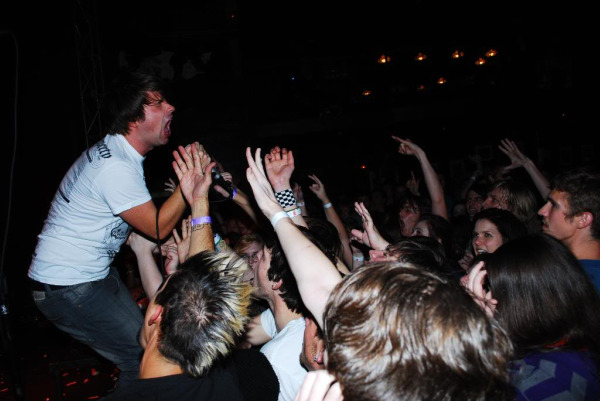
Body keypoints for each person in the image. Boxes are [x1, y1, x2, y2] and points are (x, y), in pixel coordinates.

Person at [244, 147, 515, 401]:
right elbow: (317, 265)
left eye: (385, 256)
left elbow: (320, 281)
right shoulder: (402, 327)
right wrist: (281, 197)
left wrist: (275, 212)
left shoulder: (386, 342)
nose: (373, 253)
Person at [27, 70, 203, 388]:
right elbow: (158, 227)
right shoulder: (115, 167)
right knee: (140, 360)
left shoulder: (117, 155)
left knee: (145, 344)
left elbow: (103, 220)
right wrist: (188, 182)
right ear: (133, 119)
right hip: (69, 286)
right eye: (158, 103)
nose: (171, 108)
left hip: (89, 278)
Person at [464, 234, 600, 400]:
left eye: (494, 291)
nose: (488, 300)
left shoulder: (545, 384)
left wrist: (479, 336)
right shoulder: (575, 342)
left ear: (523, 303)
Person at [538, 167, 600, 292]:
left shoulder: (584, 284)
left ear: (582, 219)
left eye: (554, 205)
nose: (541, 211)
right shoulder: (566, 266)